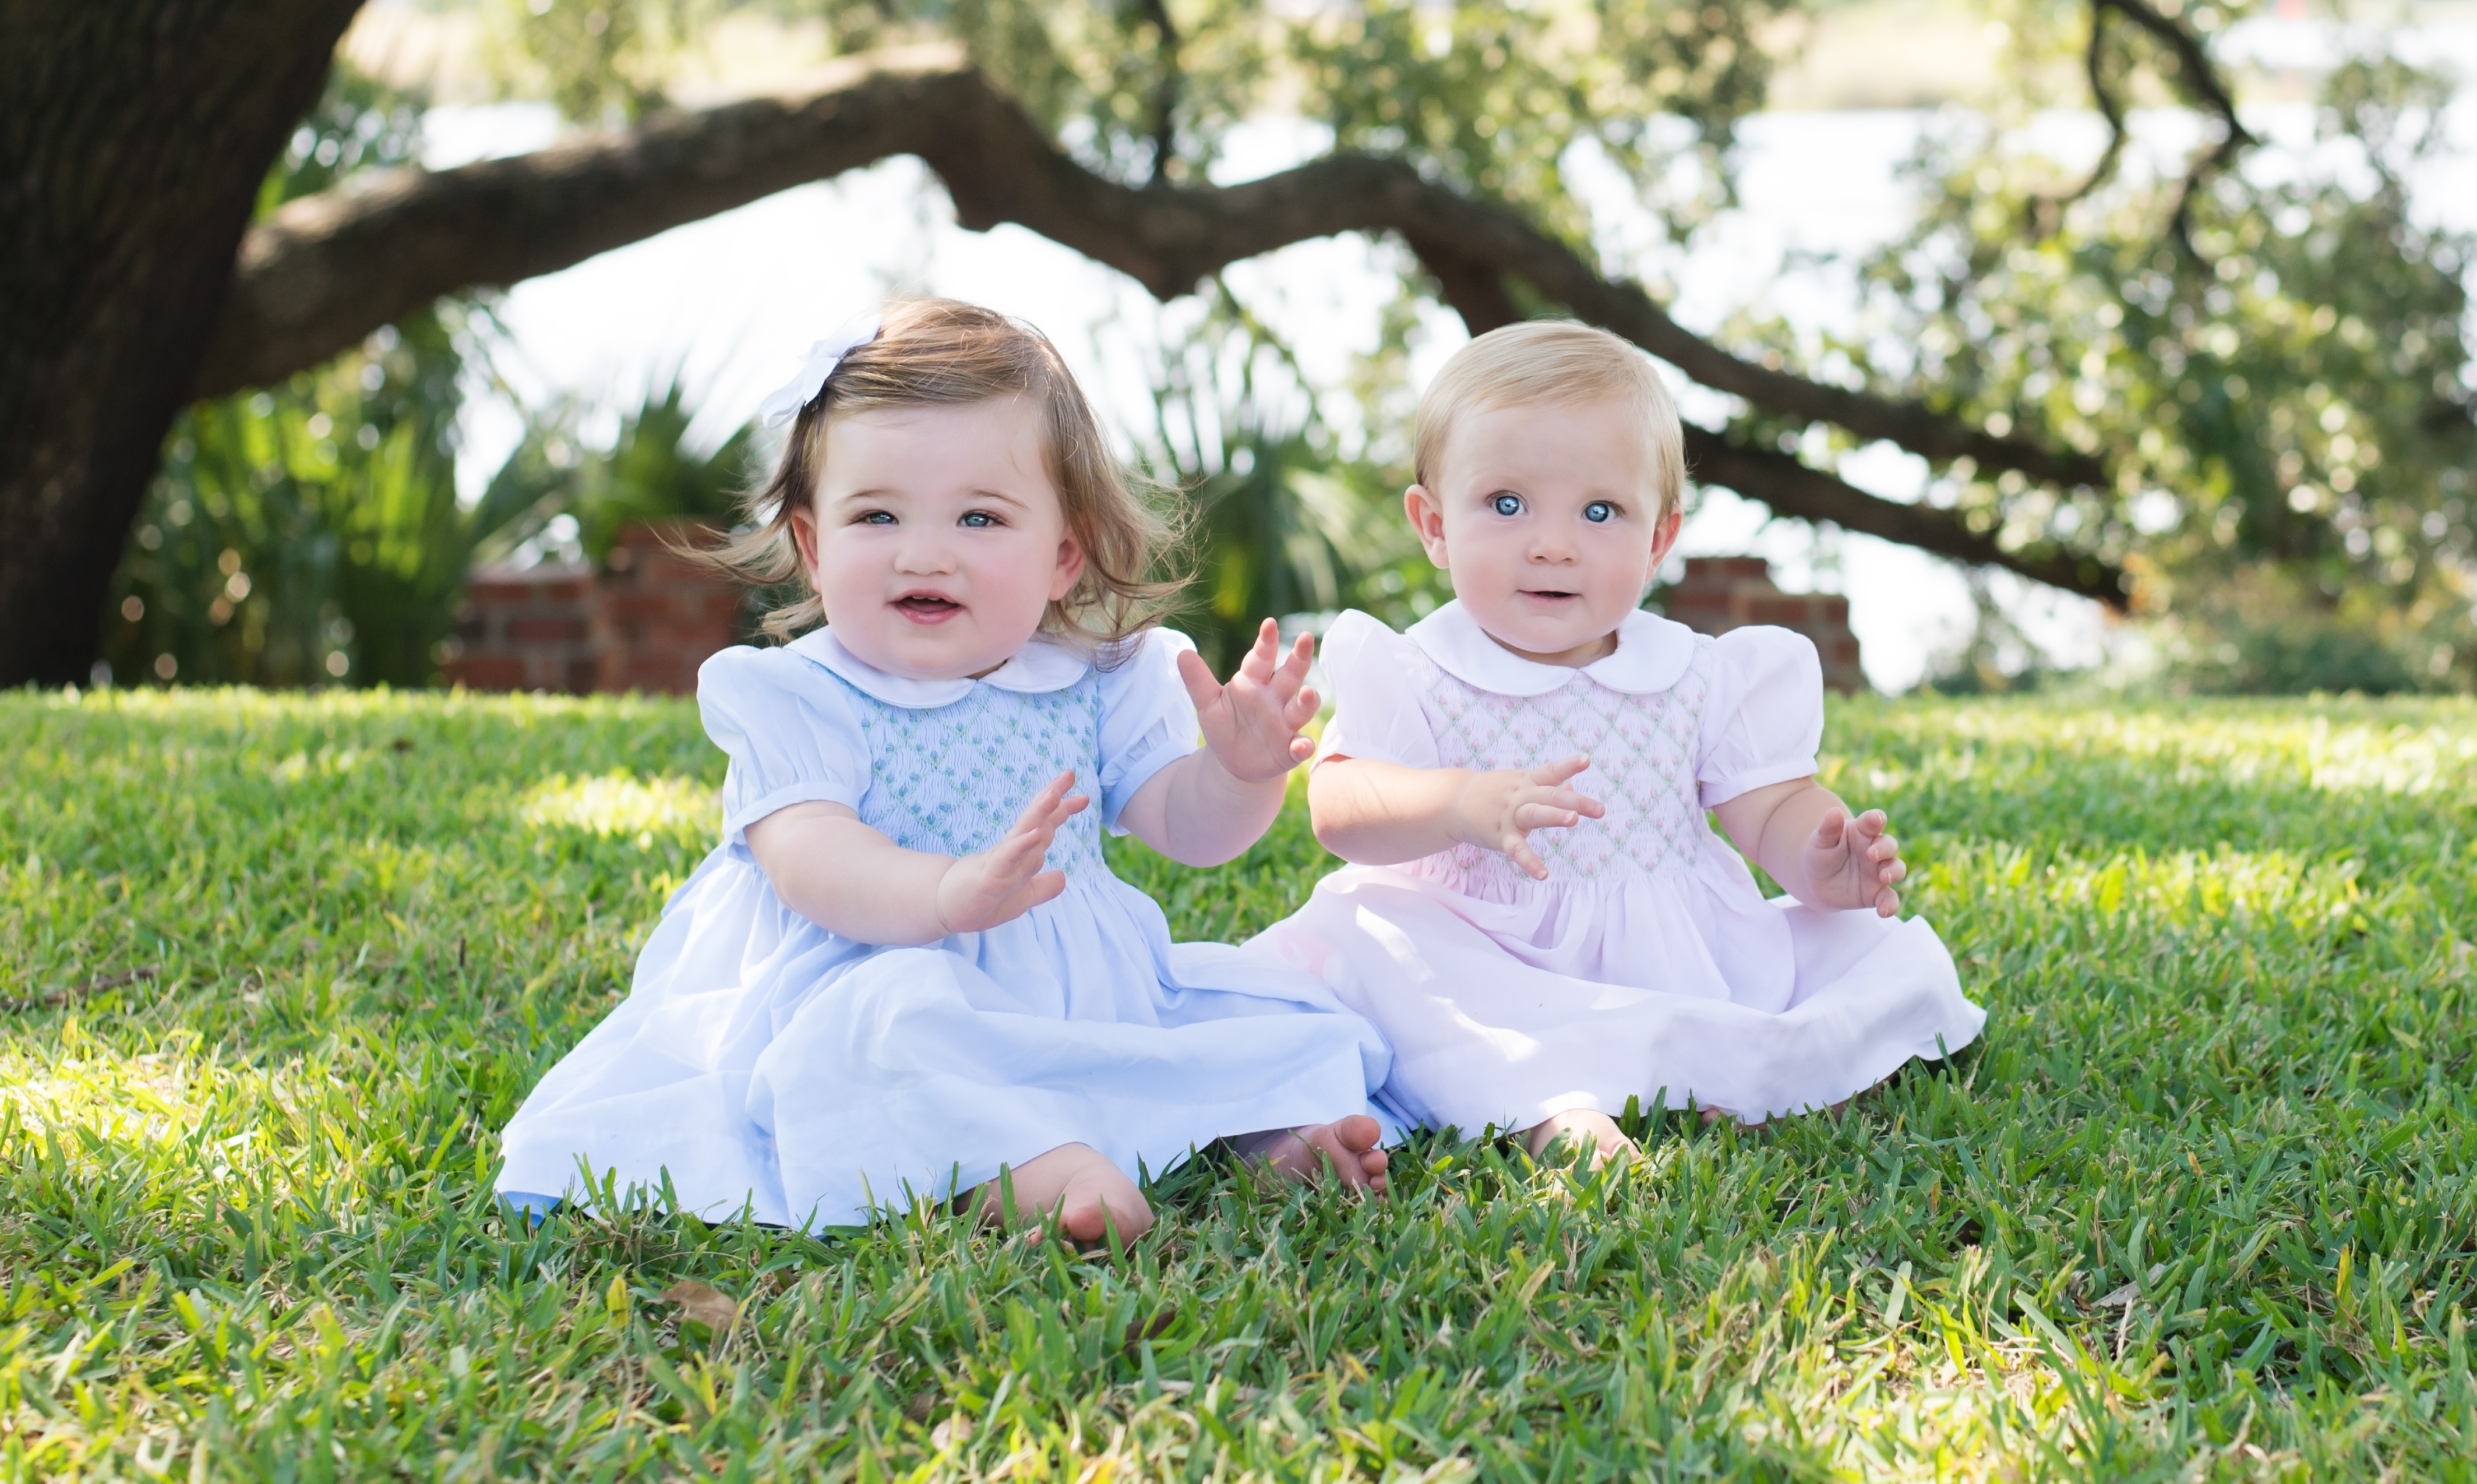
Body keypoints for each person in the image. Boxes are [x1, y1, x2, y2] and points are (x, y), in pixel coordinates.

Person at [497, 299, 1394, 1246]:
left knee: (1271, 1015)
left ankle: (1260, 1139)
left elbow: (1190, 830)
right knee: (891, 1039)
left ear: (1061, 555)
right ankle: (1016, 1171)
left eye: (978, 517)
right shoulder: (801, 696)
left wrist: (1241, 773)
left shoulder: (1101, 680)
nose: (924, 552)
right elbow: (809, 856)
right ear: (811, 545)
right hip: (870, 975)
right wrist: (947, 891)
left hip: (1075, 997)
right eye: (876, 515)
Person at [1244, 321, 1986, 1164]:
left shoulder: (1695, 675)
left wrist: (1817, 861)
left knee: (1874, 950)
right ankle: (1556, 1115)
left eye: (1600, 511)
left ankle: (1743, 1070)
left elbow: (1769, 806)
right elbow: (1340, 806)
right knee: (1368, 939)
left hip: (1660, 953)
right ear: (1434, 524)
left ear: (1658, 539)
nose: (1552, 542)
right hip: (1480, 955)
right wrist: (1454, 802)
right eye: (1505, 503)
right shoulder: (1416, 672)